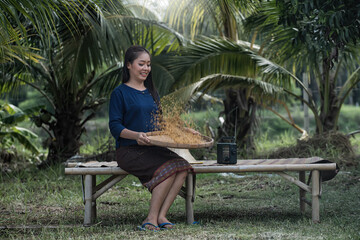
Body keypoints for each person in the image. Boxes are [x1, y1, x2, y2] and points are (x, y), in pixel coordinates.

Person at [109, 46, 193, 231]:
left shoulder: (151, 93)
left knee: (183, 167)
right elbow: (115, 126)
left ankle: (162, 215)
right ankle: (150, 218)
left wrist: (183, 130)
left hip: (153, 148)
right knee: (169, 168)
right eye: (141, 64)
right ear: (129, 65)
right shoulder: (119, 93)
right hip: (129, 151)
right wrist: (136, 136)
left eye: (148, 64)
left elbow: (160, 124)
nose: (146, 68)